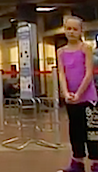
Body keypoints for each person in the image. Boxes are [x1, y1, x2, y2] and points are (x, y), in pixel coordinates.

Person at [57, 16, 98, 172]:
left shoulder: (85, 48)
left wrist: (79, 94)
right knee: (75, 130)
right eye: (68, 29)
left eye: (75, 29)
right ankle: (77, 162)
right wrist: (66, 93)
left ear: (81, 31)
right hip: (71, 99)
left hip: (88, 99)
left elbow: (88, 73)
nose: (71, 32)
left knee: (92, 131)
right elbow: (61, 73)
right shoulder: (61, 51)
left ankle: (95, 162)